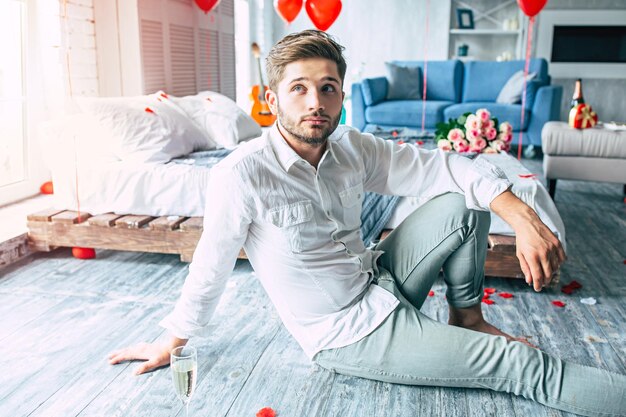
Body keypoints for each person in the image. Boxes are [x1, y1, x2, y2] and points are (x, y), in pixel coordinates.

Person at [109, 30, 626, 416]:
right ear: (272, 101)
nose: (316, 102)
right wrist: (172, 340)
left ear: (342, 95)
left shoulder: (350, 146)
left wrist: (525, 216)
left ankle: (466, 316)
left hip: (380, 278)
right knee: (519, 367)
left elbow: (446, 166)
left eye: (328, 88)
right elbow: (211, 266)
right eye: (300, 89)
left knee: (462, 198)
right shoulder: (240, 175)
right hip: (347, 333)